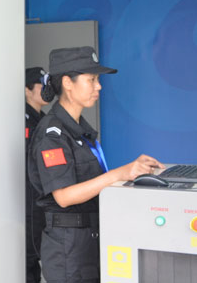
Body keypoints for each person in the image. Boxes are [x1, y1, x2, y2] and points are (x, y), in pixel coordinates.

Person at [27, 46, 163, 283]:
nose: (98, 86)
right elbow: (64, 196)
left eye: (97, 80)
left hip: (88, 240)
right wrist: (119, 174)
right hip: (68, 249)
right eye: (91, 80)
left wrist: (132, 172)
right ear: (68, 83)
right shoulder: (52, 134)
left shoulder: (80, 130)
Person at [24, 66, 49, 283]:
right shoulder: (22, 119)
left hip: (41, 195)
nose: (46, 90)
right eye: (41, 86)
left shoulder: (44, 119)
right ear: (27, 90)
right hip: (28, 196)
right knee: (29, 255)